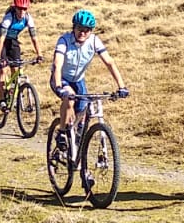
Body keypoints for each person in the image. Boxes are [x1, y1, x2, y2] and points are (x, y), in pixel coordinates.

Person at [49, 8, 128, 152]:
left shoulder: (94, 41)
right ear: (74, 27)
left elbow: (109, 62)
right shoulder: (64, 40)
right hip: (61, 78)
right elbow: (57, 64)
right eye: (80, 29)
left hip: (78, 80)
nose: (83, 33)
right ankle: (61, 132)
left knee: (83, 110)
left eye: (87, 30)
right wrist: (59, 86)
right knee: (70, 98)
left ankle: (76, 140)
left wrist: (121, 86)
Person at [0, 0, 42, 82]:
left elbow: (34, 38)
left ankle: (14, 87)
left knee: (16, 68)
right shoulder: (8, 18)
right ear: (15, 8)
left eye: (24, 9)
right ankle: (2, 91)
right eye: (19, 8)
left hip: (12, 40)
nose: (22, 11)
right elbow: (1, 38)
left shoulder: (28, 18)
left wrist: (39, 54)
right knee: (3, 70)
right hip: (1, 40)